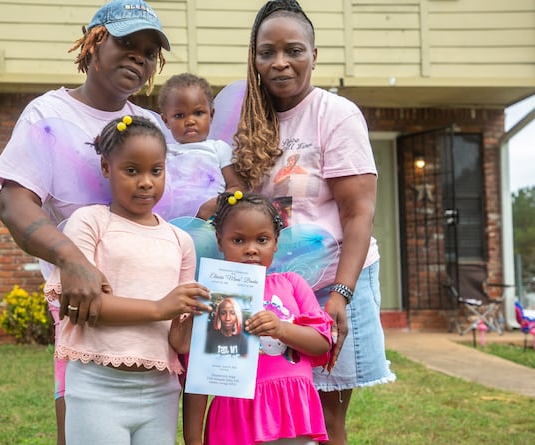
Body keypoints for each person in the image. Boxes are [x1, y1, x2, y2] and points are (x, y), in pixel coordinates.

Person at [0, 1, 171, 443]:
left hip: (150, 313)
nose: (139, 57)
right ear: (93, 43)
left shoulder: (150, 124)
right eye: (127, 43)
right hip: (84, 309)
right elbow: (15, 204)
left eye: (149, 52)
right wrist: (70, 259)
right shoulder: (49, 116)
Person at [231, 1, 396, 444]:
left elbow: (358, 212)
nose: (280, 62)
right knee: (271, 406)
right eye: (267, 52)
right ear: (255, 58)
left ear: (314, 55)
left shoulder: (335, 115)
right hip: (275, 289)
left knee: (324, 418)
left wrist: (340, 294)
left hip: (333, 283)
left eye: (293, 50)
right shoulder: (246, 119)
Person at [43, 115, 211, 445]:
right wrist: (160, 308)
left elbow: (178, 341)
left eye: (156, 171)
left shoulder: (180, 241)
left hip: (159, 390)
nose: (146, 182)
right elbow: (83, 307)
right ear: (107, 168)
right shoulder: (90, 223)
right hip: (96, 384)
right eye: (131, 170)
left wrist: (195, 315)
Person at [187, 191, 332, 445]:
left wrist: (282, 329)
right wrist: (193, 440)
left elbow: (321, 343)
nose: (251, 249)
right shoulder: (212, 295)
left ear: (276, 242)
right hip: (237, 419)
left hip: (292, 415)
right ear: (220, 241)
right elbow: (198, 377)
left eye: (262, 240)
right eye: (238, 240)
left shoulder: (291, 284)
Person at [157, 73, 245, 220]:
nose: (190, 121)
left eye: (198, 113)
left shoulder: (218, 149)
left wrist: (216, 204)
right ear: (166, 120)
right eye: (179, 115)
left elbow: (237, 187)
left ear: (211, 115)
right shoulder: (163, 154)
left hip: (211, 223)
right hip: (172, 225)